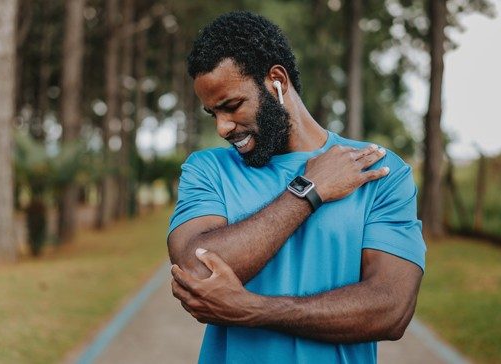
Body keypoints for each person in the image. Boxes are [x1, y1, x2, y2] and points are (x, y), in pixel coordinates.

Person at [167, 11, 426, 364]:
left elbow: (392, 309)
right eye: (213, 113)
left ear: (277, 80)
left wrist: (258, 310)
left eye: (232, 106)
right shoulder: (208, 169)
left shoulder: (377, 169)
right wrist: (308, 189)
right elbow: (195, 271)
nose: (223, 128)